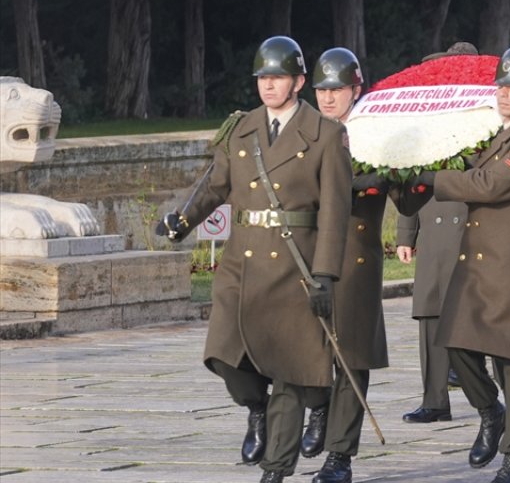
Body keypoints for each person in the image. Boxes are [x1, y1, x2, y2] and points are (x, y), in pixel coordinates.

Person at [156, 36, 352, 483]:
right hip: (241, 264)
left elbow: (336, 212)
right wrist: (181, 221)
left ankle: (275, 469)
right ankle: (255, 408)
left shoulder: (326, 134)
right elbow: (215, 185)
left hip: (293, 266)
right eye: (263, 77)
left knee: (287, 372)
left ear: (299, 81)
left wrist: (325, 274)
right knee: (223, 356)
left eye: (278, 77)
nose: (268, 85)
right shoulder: (241, 128)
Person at [418, 45, 510, 483]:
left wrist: (433, 180)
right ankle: (490, 411)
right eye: (501, 85)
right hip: (480, 265)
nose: (504, 93)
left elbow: (491, 183)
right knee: (455, 344)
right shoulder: (493, 132)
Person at [307, 47, 397, 483]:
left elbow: (383, 180)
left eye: (337, 89)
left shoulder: (373, 134)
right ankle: (317, 409)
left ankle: (339, 455)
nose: (327, 98)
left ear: (356, 90)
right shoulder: (305, 133)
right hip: (310, 254)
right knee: (305, 347)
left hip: (354, 257)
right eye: (322, 89)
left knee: (350, 356)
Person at [397, 41, 481, 426]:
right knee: (429, 311)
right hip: (431, 226)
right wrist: (404, 234)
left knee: (473, 314)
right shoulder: (423, 125)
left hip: (469, 226)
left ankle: (485, 397)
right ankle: (434, 400)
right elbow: (408, 181)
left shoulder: (485, 120)